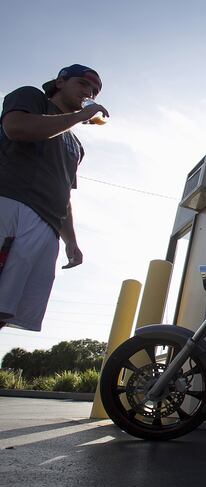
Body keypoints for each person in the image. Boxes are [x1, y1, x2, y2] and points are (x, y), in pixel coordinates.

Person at [0, 64, 108, 331]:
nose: (89, 92)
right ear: (60, 82)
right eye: (83, 84)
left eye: (93, 90)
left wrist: (71, 241)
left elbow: (64, 193)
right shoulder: (32, 97)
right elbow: (16, 128)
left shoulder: (76, 146)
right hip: (12, 204)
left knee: (6, 310)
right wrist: (81, 115)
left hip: (47, 227)